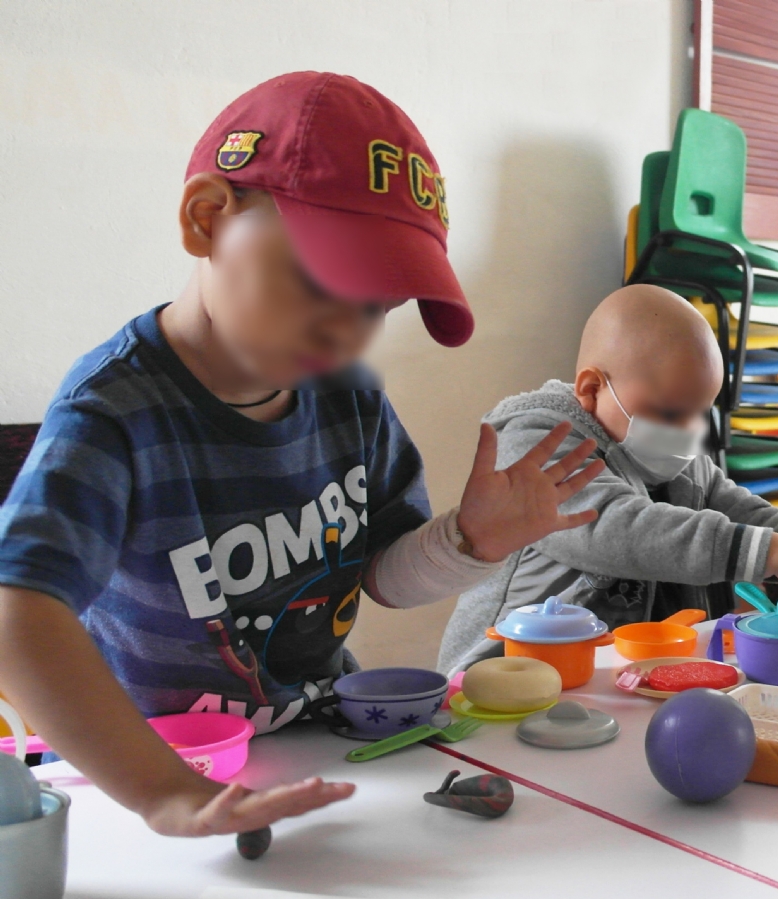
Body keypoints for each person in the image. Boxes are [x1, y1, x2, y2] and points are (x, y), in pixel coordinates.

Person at [0, 72, 606, 837]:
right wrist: (164, 794)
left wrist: (467, 541)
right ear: (208, 218)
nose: (350, 333)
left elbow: (377, 571)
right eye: (328, 281)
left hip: (311, 752)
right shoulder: (115, 413)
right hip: (150, 772)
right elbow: (17, 611)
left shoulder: (346, 396)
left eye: (378, 308)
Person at [439, 284, 778, 673]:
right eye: (669, 413)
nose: (686, 432)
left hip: (619, 678)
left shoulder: (675, 451)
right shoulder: (537, 441)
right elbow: (615, 527)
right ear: (591, 388)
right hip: (501, 682)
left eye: (698, 414)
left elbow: (745, 511)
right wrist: (777, 555)